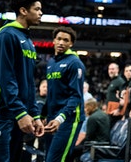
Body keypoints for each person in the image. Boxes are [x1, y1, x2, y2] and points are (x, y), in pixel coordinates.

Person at [0, 0, 45, 162]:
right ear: (23, 11)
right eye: (37, 9)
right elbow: (6, 78)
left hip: (18, 116)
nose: (41, 13)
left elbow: (29, 84)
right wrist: (21, 113)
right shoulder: (7, 35)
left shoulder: (28, 41)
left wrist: (34, 114)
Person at [43, 26, 86, 162]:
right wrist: (43, 114)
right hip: (52, 117)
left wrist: (60, 118)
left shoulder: (75, 63)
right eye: (59, 39)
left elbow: (76, 96)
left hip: (69, 119)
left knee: (54, 159)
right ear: (54, 41)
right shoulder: (51, 62)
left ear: (71, 44)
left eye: (66, 40)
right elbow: (51, 94)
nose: (61, 42)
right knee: (49, 157)